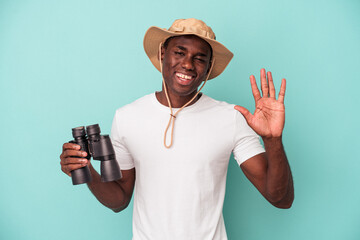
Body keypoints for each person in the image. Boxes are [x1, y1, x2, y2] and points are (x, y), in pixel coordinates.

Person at [60, 18, 294, 240]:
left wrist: (273, 140)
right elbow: (119, 200)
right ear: (163, 54)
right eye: (179, 52)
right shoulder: (126, 117)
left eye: (200, 58)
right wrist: (87, 171)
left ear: (208, 68)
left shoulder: (230, 117)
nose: (188, 64)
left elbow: (281, 199)